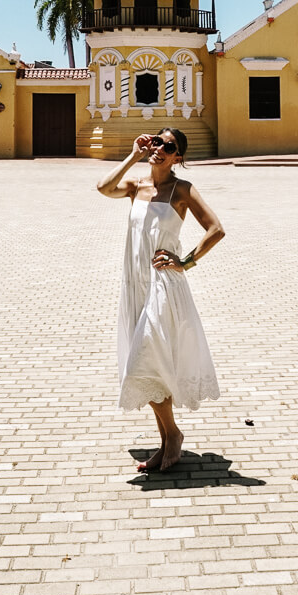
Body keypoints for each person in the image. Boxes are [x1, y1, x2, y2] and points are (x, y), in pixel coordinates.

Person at [97, 128, 225, 471]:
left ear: (178, 157)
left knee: (145, 360)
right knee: (148, 362)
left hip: (162, 285)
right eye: (157, 141)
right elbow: (103, 187)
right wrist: (133, 155)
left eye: (168, 146)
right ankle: (168, 440)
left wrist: (185, 262)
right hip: (135, 282)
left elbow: (216, 229)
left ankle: (172, 435)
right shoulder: (136, 185)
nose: (160, 149)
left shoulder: (181, 190)